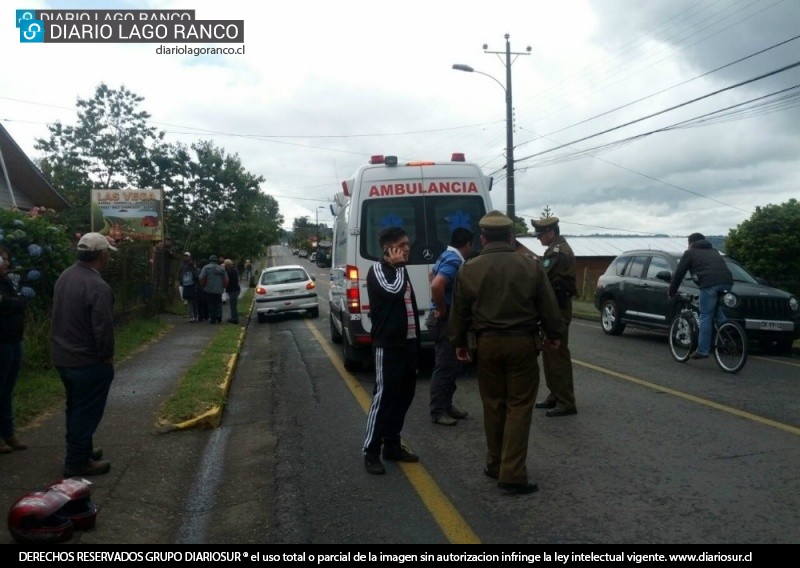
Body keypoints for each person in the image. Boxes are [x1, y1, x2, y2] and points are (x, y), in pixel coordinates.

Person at [448, 211, 565, 495]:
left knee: (493, 404)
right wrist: (555, 335)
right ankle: (512, 473)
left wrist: (459, 343)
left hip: (486, 345)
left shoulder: (469, 268)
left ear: (483, 238)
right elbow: (549, 307)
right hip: (522, 344)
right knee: (519, 406)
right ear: (511, 237)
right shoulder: (531, 266)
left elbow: (459, 312)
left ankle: (494, 463)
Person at [51, 233, 117, 477]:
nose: (109, 256)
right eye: (107, 252)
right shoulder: (97, 285)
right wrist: (106, 355)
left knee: (75, 407)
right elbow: (103, 328)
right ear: (101, 255)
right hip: (88, 360)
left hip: (64, 357)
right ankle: (77, 461)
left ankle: (82, 449)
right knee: (86, 412)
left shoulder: (66, 276)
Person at [363, 226, 421, 475]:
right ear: (390, 249)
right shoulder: (378, 270)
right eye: (403, 245)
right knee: (383, 399)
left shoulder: (400, 271)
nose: (408, 248)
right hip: (388, 346)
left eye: (408, 244)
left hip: (407, 344)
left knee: (403, 397)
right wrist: (397, 267)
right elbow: (393, 292)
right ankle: (371, 452)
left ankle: (392, 445)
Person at [530, 216, 578, 417]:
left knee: (558, 357)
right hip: (553, 309)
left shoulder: (559, 252)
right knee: (550, 355)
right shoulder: (554, 250)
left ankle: (566, 401)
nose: (539, 238)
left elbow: (541, 274)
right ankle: (555, 394)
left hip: (557, 310)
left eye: (541, 235)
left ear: (550, 233)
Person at [427, 227, 474, 426]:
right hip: (444, 321)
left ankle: (447, 405)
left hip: (446, 320)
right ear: (468, 245)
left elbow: (431, 275)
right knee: (445, 366)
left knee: (453, 365)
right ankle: (438, 411)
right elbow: (436, 284)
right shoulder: (455, 261)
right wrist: (441, 308)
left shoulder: (446, 255)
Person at [668, 232, 733, 359]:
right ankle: (727, 329)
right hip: (727, 282)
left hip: (709, 284)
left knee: (705, 316)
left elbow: (679, 273)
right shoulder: (714, 251)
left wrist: (671, 291)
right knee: (713, 309)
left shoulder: (690, 253)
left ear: (690, 243)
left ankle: (702, 351)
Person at [0, 245, 28, 453]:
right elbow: (16, 303)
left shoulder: (7, 281)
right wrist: (14, 303)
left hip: (13, 340)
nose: (7, 263)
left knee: (7, 390)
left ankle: (8, 433)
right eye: (3, 259)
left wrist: (10, 303)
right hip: (2, 341)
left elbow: (20, 302)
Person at [199, 255, 228, 324]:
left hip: (209, 289)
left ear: (209, 260)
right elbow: (226, 278)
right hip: (219, 289)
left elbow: (201, 277)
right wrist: (224, 286)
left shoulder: (206, 268)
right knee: (218, 303)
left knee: (211, 304)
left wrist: (203, 285)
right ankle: (219, 317)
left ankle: (213, 319)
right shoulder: (221, 268)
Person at [180, 258, 200, 322]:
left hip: (186, 289)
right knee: (194, 303)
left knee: (189, 303)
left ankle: (191, 316)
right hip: (193, 288)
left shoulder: (185, 271)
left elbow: (181, 281)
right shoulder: (194, 270)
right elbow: (197, 278)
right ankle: (195, 316)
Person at [223, 258, 241, 324]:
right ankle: (234, 317)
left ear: (227, 265)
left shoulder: (231, 271)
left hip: (234, 290)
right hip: (234, 289)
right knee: (233, 304)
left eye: (225, 265)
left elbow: (227, 278)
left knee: (233, 305)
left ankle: (234, 318)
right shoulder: (233, 270)